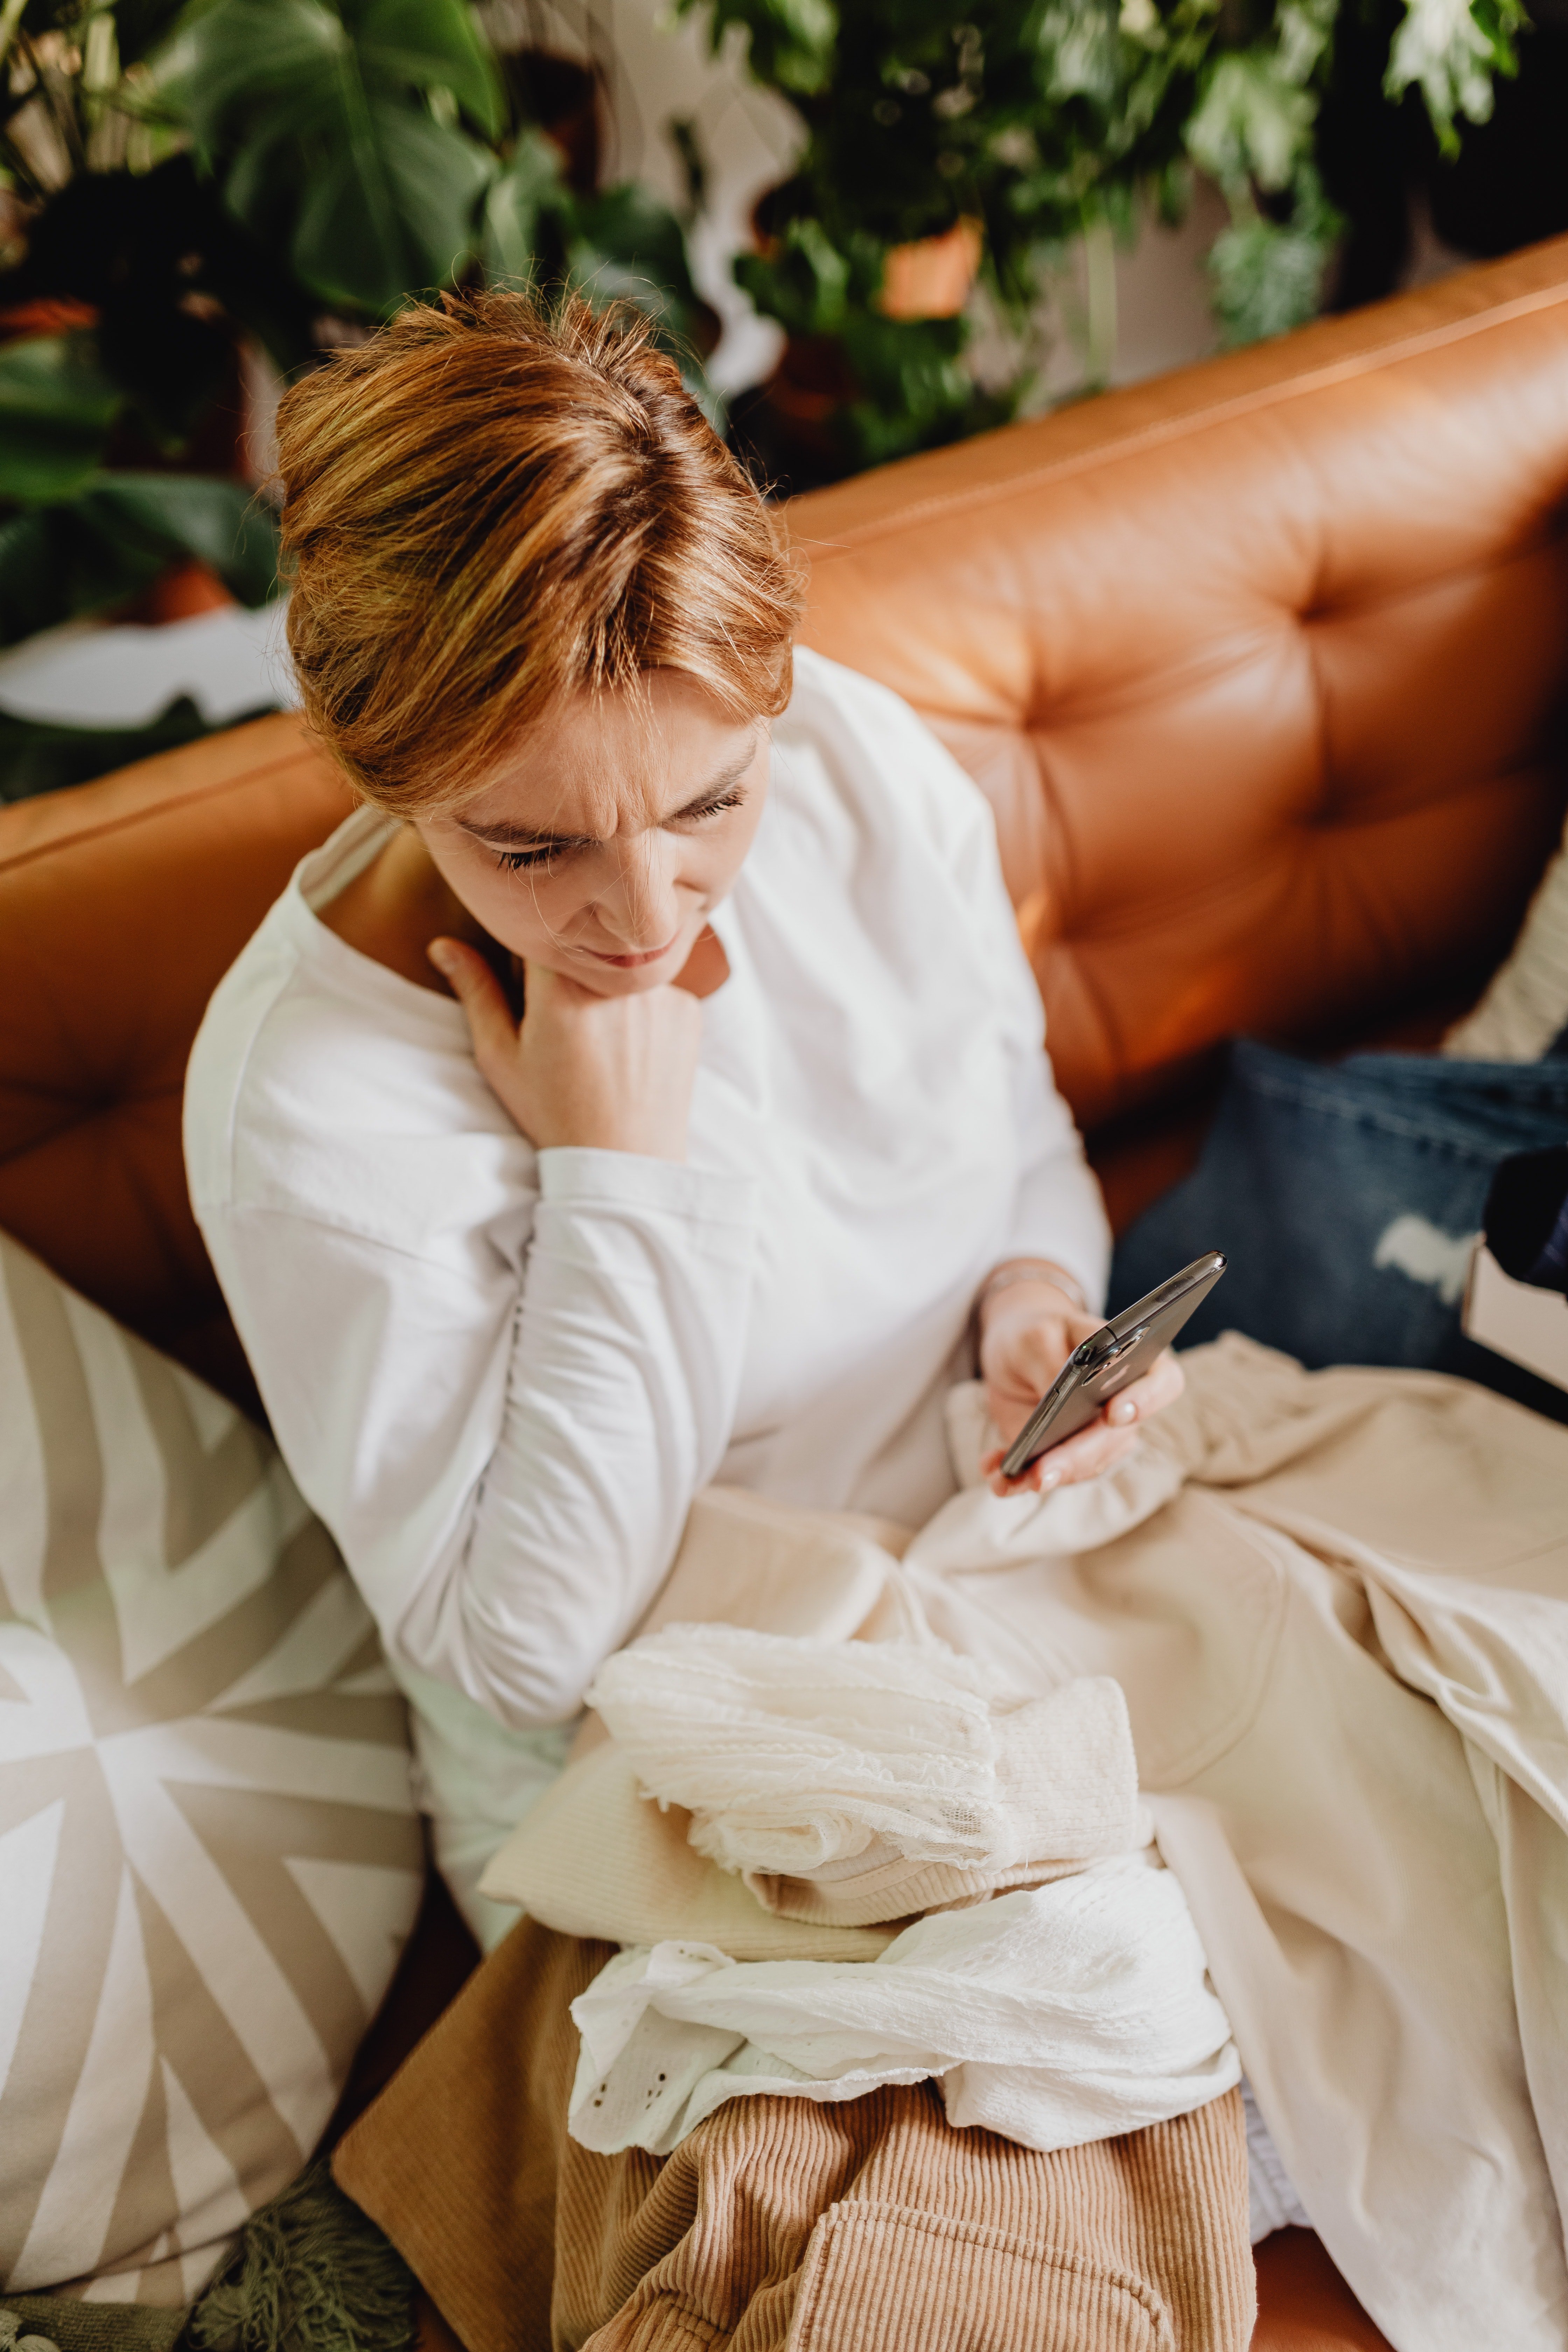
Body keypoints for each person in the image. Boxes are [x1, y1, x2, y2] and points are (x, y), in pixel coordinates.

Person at [183, 288, 1183, 1945]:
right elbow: (533, 1656)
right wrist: (613, 1178)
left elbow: (1015, 1132)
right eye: (531, 849)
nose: (645, 914)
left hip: (999, 1588)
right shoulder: (309, 1116)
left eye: (715, 799)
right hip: (650, 1790)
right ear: (387, 771)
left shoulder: (857, 755)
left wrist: (1030, 1303)